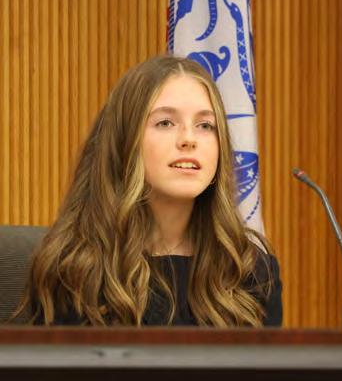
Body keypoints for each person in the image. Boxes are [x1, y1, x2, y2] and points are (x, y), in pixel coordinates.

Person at [15, 55, 282, 327]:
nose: (188, 139)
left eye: (205, 125)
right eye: (165, 123)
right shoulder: (76, 271)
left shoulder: (252, 272)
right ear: (125, 140)